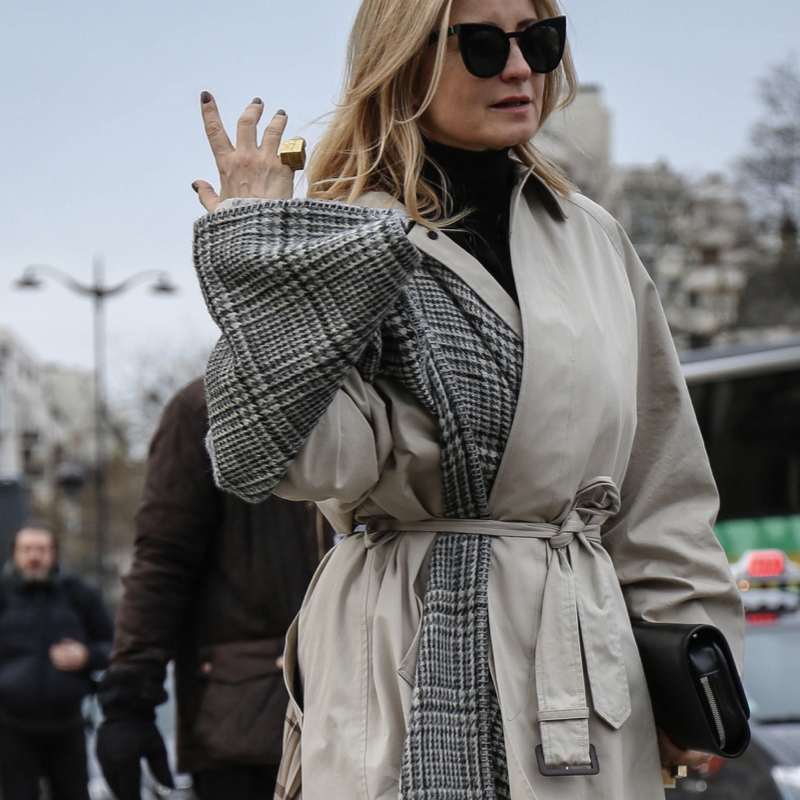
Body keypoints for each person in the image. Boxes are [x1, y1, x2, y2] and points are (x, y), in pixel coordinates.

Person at [190, 0, 745, 797]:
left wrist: (699, 670)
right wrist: (264, 254)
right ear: (407, 59)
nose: (520, 68)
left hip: (583, 672)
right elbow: (298, 461)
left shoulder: (595, 240)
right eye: (483, 46)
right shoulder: (341, 239)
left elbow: (663, 487)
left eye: (540, 40)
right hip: (398, 657)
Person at [95, 377, 328, 800]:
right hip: (246, 727)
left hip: (366, 705)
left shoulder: (380, 386)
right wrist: (128, 698)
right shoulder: (204, 407)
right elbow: (164, 560)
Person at [0, 522, 113, 800]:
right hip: (11, 727)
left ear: (54, 553)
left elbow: (115, 647)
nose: (34, 556)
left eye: (41, 549)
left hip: (68, 726)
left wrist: (88, 656)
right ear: (14, 553)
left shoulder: (79, 594)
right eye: (27, 549)